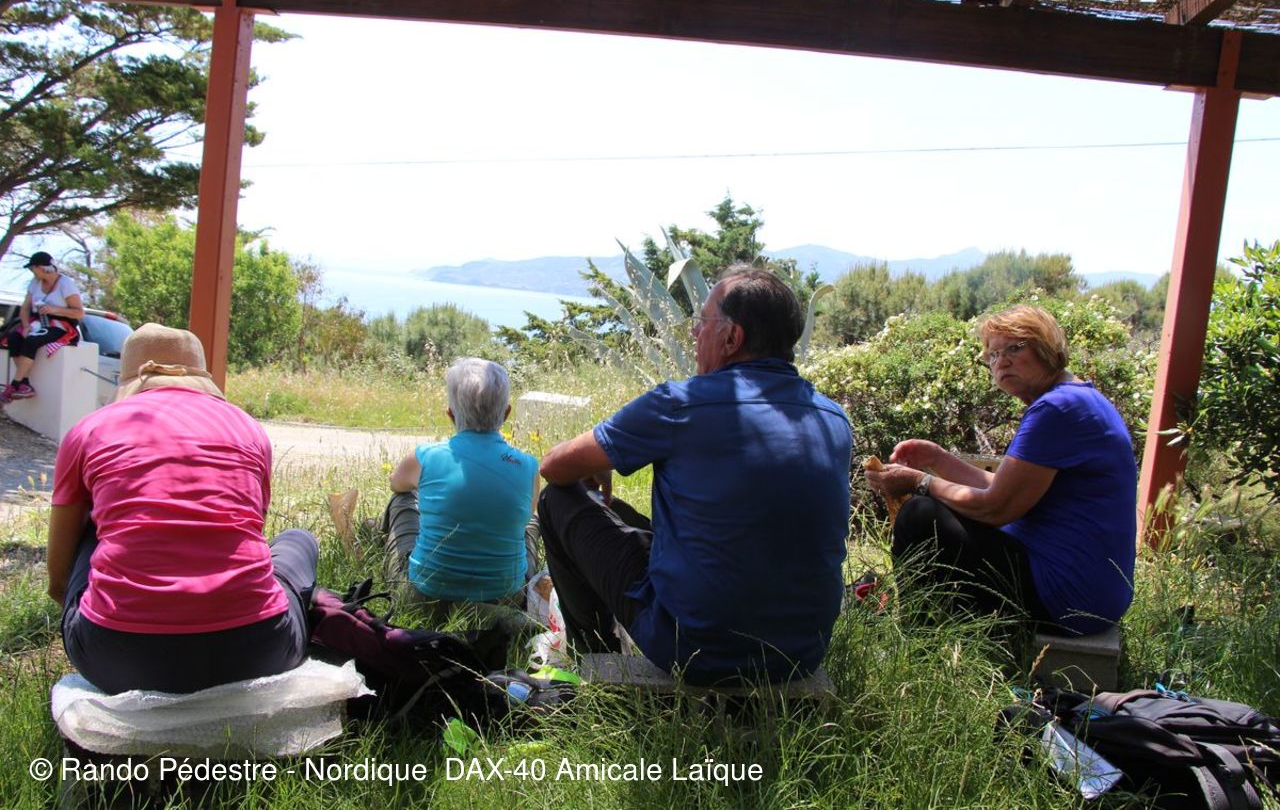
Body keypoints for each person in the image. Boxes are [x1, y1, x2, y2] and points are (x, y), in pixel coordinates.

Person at [537, 265, 853, 686]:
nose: (693, 332)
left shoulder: (679, 405)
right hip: (799, 653)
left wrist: (601, 462)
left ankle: (594, 655)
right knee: (628, 517)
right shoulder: (833, 418)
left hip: (691, 649)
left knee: (557, 499)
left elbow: (553, 466)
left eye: (702, 321)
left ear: (732, 337)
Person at [48, 323, 318, 694]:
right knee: (299, 540)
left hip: (113, 659)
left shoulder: (87, 430)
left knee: (96, 526)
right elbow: (250, 531)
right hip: (259, 651)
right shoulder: (249, 428)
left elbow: (58, 577)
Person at [864, 304, 1137, 635]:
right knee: (936, 511)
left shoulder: (1056, 409)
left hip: (1066, 597)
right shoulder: (1073, 399)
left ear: (1047, 348)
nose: (1001, 361)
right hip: (1095, 594)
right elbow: (1007, 488)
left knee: (920, 515)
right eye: (993, 355)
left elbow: (996, 508)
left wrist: (920, 482)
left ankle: (922, 638)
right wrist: (938, 459)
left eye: (1014, 348)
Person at [383, 357, 539, 619]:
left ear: (450, 414)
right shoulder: (528, 465)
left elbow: (395, 484)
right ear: (506, 413)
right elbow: (525, 519)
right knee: (531, 523)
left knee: (401, 500)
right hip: (506, 596)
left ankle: (378, 542)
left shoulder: (425, 457)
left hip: (425, 596)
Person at [1, 251, 84, 402]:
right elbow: (25, 307)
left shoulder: (65, 284)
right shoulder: (34, 283)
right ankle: (24, 383)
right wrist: (26, 326)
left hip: (60, 325)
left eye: (32, 268)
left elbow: (79, 312)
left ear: (42, 268)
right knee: (13, 337)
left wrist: (54, 309)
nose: (31, 272)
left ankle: (14, 384)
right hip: (36, 321)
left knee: (32, 340)